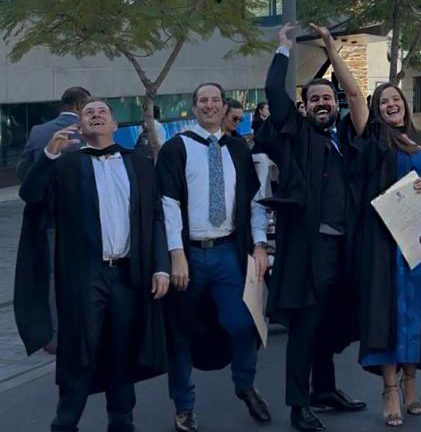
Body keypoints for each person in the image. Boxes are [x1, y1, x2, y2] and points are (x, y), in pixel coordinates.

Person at [15, 98, 169, 432]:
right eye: (89, 113)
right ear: (81, 127)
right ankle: (65, 422)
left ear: (114, 124)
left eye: (102, 111)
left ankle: (121, 421)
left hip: (130, 273)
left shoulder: (140, 164)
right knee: (80, 350)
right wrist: (49, 155)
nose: (96, 115)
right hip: (86, 275)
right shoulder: (66, 166)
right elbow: (31, 194)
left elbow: (156, 217)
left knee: (123, 348)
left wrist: (161, 266)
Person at [254, 23, 368, 432]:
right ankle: (299, 405)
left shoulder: (346, 140)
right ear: (304, 107)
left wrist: (333, 51)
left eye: (327, 98)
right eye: (314, 98)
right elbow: (273, 97)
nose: (322, 103)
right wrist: (283, 50)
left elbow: (356, 97)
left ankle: (325, 389)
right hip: (309, 251)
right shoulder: (297, 136)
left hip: (344, 250)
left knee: (329, 323)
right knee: (304, 327)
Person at [157, 82, 270, 432]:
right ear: (194, 107)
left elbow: (254, 200)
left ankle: (245, 384)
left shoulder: (236, 149)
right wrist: (176, 254)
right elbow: (169, 205)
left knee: (243, 324)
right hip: (189, 254)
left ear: (224, 108)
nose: (209, 105)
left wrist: (260, 243)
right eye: (202, 100)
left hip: (227, 253)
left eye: (215, 100)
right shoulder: (176, 149)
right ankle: (185, 406)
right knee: (180, 334)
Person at [356, 80, 421, 426]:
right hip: (385, 242)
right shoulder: (375, 141)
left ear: (405, 103)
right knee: (389, 311)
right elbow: (354, 101)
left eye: (395, 98)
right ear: (377, 109)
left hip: (420, 238)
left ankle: (411, 383)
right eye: (383, 101)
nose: (391, 105)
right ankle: (389, 388)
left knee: (418, 311)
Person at [15, 85, 91, 355]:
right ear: (81, 106)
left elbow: (24, 171)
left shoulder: (38, 132)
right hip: (82, 217)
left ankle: (55, 335)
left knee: (51, 275)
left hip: (48, 217)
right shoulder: (87, 133)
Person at [17, 86, 91, 182]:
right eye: (88, 107)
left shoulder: (37, 131)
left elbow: (23, 168)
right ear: (79, 106)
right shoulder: (90, 131)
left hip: (43, 192)